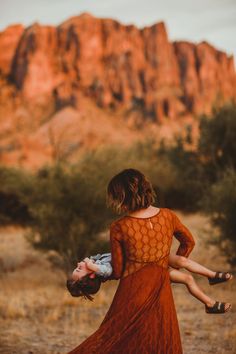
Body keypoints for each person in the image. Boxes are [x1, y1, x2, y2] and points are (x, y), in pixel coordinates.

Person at [67, 168, 231, 354]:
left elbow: (119, 271)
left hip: (132, 293)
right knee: (160, 340)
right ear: (146, 189)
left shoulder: (119, 227)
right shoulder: (168, 216)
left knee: (114, 341)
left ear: (121, 197)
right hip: (161, 289)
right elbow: (188, 242)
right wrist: (164, 268)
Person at [67, 252, 232, 313]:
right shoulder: (104, 270)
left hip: (150, 257)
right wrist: (90, 265)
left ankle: (212, 275)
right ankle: (210, 304)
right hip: (149, 269)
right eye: (79, 270)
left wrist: (89, 263)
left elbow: (93, 258)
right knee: (187, 279)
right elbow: (108, 270)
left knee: (182, 260)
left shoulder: (99, 262)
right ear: (92, 275)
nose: (78, 265)